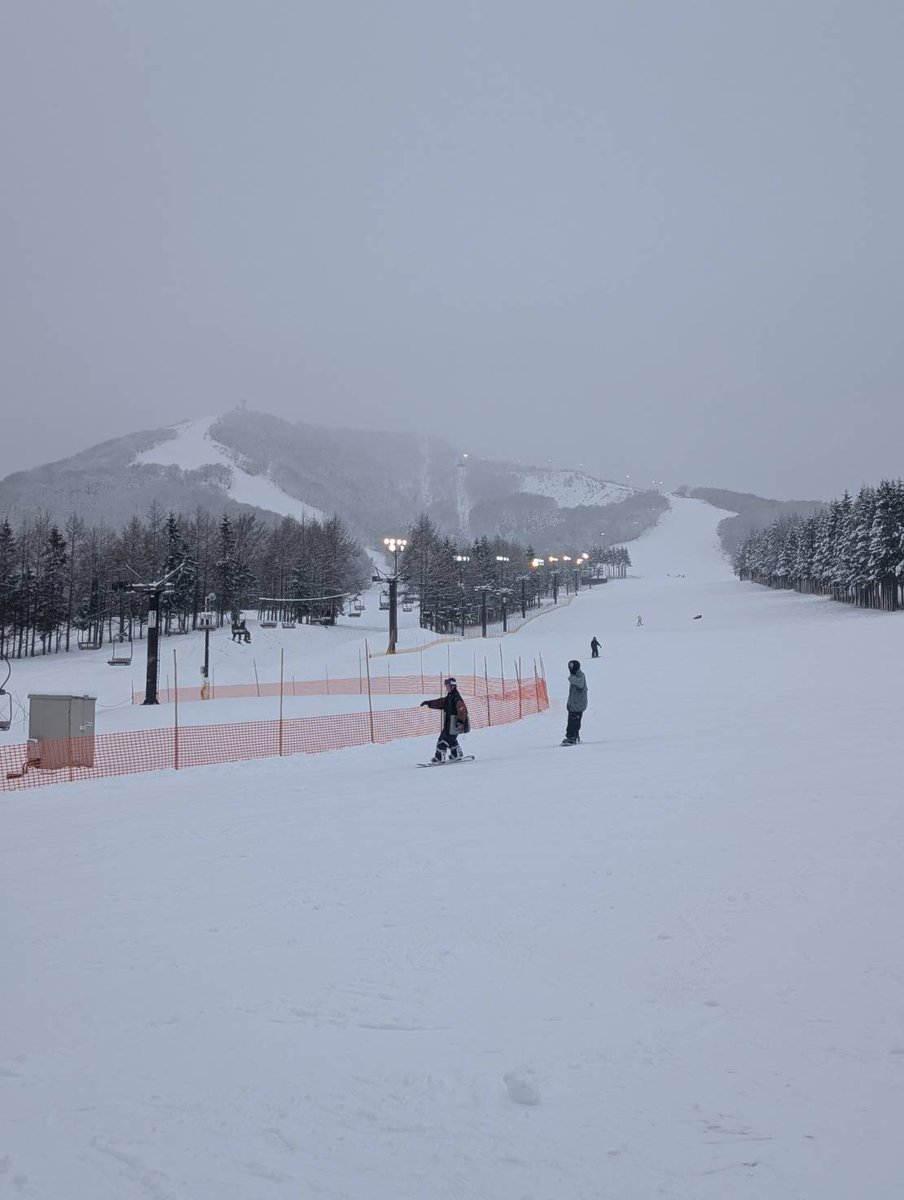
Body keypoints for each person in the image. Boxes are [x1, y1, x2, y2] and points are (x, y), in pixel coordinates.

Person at [420, 677, 470, 763]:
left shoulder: (456, 698)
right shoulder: (450, 697)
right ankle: (457, 754)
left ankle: (440, 758)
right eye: (446, 686)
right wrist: (429, 703)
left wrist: (460, 721)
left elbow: (462, 710)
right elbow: (441, 703)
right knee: (451, 740)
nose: (446, 688)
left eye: (447, 686)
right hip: (451, 724)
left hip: (455, 724)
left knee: (443, 740)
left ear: (452, 686)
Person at [562, 659, 587, 745]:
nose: (570, 669)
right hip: (573, 704)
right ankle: (573, 736)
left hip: (578, 705)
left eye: (571, 667)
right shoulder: (575, 675)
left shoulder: (581, 675)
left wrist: (572, 678)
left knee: (575, 722)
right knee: (571, 722)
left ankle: (573, 737)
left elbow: (580, 684)